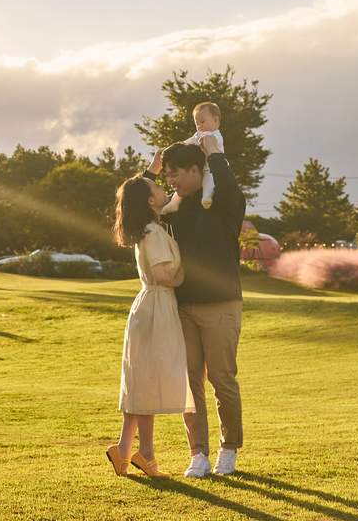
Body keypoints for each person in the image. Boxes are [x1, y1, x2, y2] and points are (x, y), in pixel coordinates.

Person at [145, 136, 246, 478]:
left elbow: (229, 184)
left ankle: (228, 449)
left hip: (222, 304)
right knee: (190, 382)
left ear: (195, 170)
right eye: (167, 174)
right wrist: (152, 169)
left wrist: (213, 148)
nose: (170, 180)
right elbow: (136, 203)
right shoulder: (174, 210)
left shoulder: (223, 203)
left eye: (176, 173)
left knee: (222, 379)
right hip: (184, 306)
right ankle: (198, 454)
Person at [106, 171, 195, 478]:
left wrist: (151, 171)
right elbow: (162, 275)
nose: (162, 189)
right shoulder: (153, 232)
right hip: (157, 305)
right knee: (148, 380)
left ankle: (124, 449)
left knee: (141, 380)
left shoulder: (149, 228)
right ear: (148, 200)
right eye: (157, 187)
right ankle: (145, 454)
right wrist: (187, 276)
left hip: (151, 306)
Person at [160, 101, 225, 213]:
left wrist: (209, 144)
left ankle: (206, 197)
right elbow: (189, 141)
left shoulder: (216, 136)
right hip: (202, 165)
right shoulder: (199, 134)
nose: (200, 126)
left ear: (215, 120)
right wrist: (179, 146)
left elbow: (216, 152)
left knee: (209, 182)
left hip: (211, 168)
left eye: (202, 121)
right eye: (197, 123)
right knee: (179, 191)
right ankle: (174, 204)